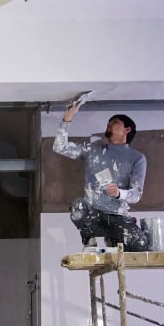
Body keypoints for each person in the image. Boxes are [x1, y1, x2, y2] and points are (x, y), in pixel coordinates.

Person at [54, 104, 151, 251]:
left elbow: (136, 194)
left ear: (127, 129)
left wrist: (119, 193)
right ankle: (89, 238)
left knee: (140, 244)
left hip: (118, 215)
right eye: (108, 122)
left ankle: (113, 238)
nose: (109, 124)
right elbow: (60, 147)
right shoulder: (93, 149)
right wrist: (67, 119)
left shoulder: (137, 158)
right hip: (93, 214)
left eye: (115, 122)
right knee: (78, 205)